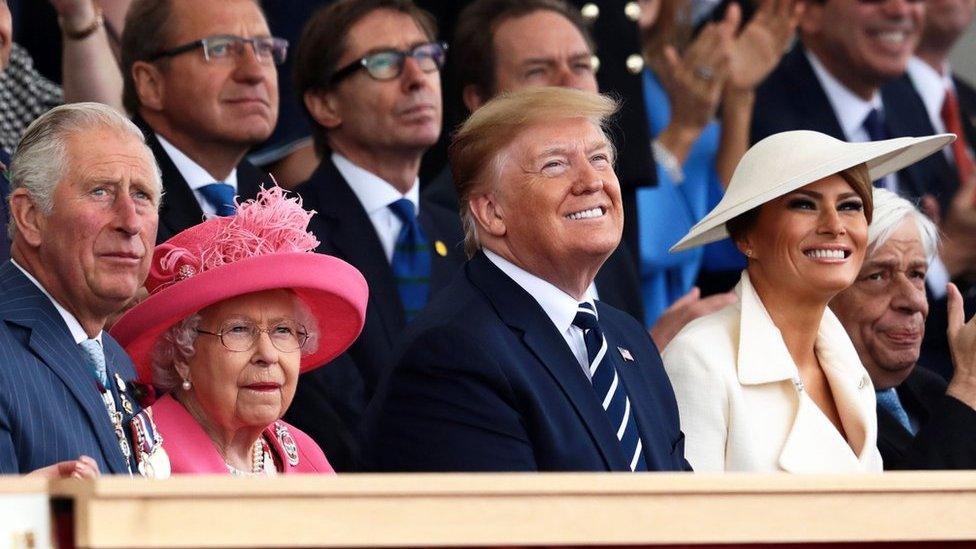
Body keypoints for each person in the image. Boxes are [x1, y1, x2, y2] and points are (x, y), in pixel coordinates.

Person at [365, 87, 691, 472]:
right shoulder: (452, 353)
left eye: (600, 158)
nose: (592, 181)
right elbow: (511, 528)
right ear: (491, 212)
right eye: (555, 165)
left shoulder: (627, 337)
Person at [662, 129, 952, 472]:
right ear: (746, 237)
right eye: (804, 204)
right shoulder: (699, 359)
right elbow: (687, 520)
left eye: (850, 206)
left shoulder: (845, 362)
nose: (834, 225)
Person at [287, 0, 465, 470]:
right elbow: (329, 417)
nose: (417, 77)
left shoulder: (467, 234)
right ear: (325, 103)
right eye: (384, 63)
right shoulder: (293, 235)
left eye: (426, 55)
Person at [110, 186, 368, 475]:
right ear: (182, 356)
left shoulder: (305, 454)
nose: (268, 355)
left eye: (283, 330)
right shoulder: (142, 457)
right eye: (239, 330)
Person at [0, 102, 161, 476]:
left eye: (142, 195)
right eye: (101, 192)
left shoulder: (116, 358)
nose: (131, 221)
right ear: (30, 216)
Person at [830, 188, 976, 469]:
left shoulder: (933, 389)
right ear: (824, 293)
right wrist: (969, 384)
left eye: (917, 275)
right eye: (878, 276)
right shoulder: (813, 405)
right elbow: (904, 509)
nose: (914, 301)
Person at [120, 0, 280, 242]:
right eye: (220, 49)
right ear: (151, 84)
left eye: (264, 49)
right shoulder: (116, 199)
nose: (254, 72)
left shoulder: (276, 198)